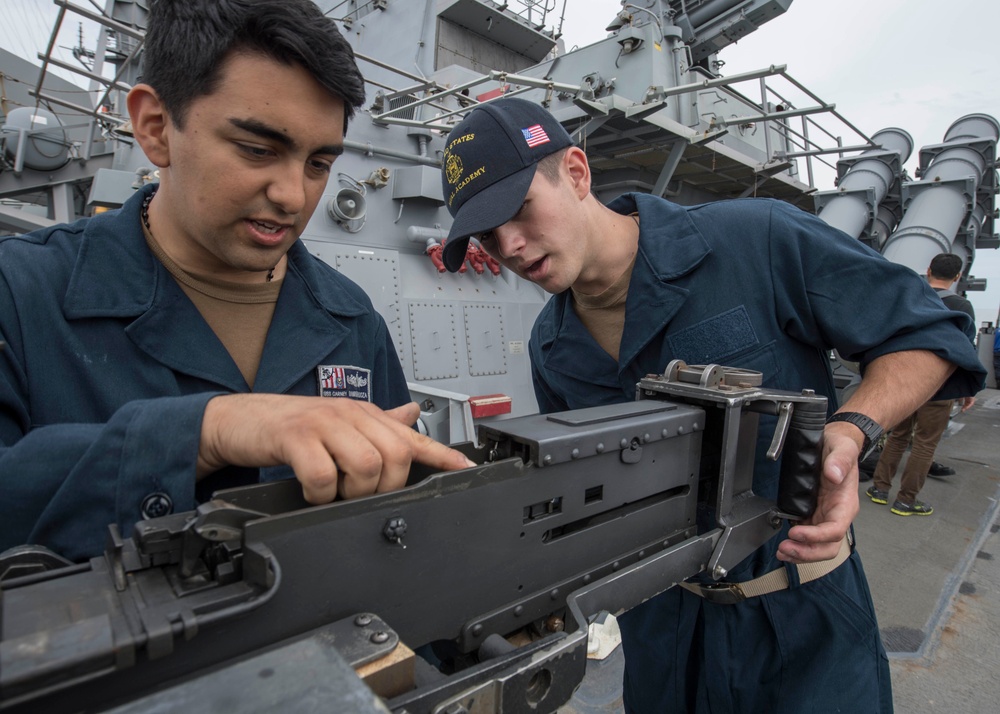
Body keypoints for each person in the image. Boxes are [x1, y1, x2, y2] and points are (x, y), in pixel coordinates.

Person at [437, 97, 984, 713]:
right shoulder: (551, 344)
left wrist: (852, 430)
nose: (508, 245)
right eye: (487, 233)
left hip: (802, 620)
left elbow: (924, 335)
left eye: (518, 210)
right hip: (665, 635)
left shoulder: (758, 239)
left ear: (576, 172)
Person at [0, 0, 473, 562]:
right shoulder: (20, 293)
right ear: (156, 128)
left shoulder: (352, 318)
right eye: (257, 150)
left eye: (318, 164)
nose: (294, 196)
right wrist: (205, 431)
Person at [866, 253, 977, 513]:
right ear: (957, 276)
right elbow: (965, 351)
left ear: (928, 270)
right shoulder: (961, 306)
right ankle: (906, 500)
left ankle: (880, 488)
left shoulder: (913, 297)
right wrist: (969, 388)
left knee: (897, 436)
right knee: (926, 443)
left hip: (906, 381)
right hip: (940, 386)